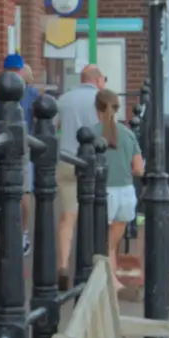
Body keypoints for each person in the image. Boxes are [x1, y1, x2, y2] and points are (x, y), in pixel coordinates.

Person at [54, 65, 106, 286]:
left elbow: (51, 127)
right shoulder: (102, 100)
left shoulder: (63, 100)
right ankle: (91, 265)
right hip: (93, 164)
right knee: (95, 212)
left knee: (68, 216)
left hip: (66, 161)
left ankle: (63, 264)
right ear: (96, 80)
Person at [0, 53, 39, 255]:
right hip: (0, 147)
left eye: (17, 70)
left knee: (24, 193)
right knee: (3, 191)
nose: (15, 74)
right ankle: (7, 230)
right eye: (12, 70)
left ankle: (22, 232)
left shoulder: (32, 93)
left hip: (23, 149)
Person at [96, 90, 144, 296]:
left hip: (102, 193)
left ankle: (110, 282)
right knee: (112, 244)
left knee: (102, 243)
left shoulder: (90, 132)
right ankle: (112, 279)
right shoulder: (129, 134)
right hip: (125, 193)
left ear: (97, 110)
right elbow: (139, 169)